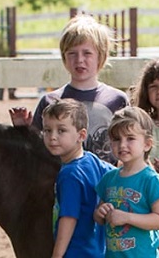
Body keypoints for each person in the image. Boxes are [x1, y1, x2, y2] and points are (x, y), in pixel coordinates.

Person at [10, 15, 129, 165]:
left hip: (106, 185)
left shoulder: (117, 100)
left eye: (87, 53)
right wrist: (23, 131)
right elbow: (35, 153)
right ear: (64, 58)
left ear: (101, 56)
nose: (79, 60)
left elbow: (130, 145)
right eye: (72, 53)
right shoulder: (50, 101)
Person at [42, 98, 115, 258]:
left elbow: (69, 218)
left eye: (61, 130)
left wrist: (57, 255)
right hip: (98, 250)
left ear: (81, 135)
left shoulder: (70, 175)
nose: (52, 137)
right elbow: (118, 174)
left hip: (77, 252)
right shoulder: (92, 160)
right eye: (47, 130)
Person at [94, 107, 159, 257]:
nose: (122, 145)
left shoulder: (151, 180)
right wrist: (100, 213)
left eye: (130, 138)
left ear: (147, 144)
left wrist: (127, 217)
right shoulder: (109, 178)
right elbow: (99, 217)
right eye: (116, 139)